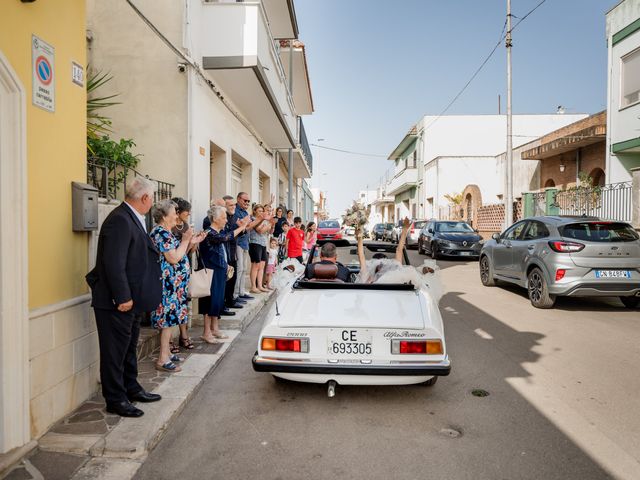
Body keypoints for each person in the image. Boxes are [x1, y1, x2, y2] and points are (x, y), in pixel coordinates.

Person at [86, 177, 163, 418]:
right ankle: (115, 399)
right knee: (114, 353)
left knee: (128, 349)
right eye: (152, 197)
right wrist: (123, 297)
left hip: (132, 301)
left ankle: (131, 387)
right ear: (144, 198)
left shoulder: (131, 217)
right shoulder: (119, 219)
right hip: (117, 302)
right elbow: (113, 263)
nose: (152, 202)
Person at [150, 200, 205, 372]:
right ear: (165, 216)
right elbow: (173, 258)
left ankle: (167, 352)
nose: (176, 215)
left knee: (171, 320)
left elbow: (180, 253)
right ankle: (162, 359)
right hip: (167, 286)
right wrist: (186, 239)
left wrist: (190, 241)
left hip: (173, 285)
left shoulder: (167, 232)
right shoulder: (161, 233)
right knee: (166, 322)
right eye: (174, 212)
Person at [200, 205, 250, 343]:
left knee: (218, 300)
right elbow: (225, 238)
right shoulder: (209, 232)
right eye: (223, 218)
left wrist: (226, 264)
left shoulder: (218, 231)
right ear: (215, 219)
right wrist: (241, 226)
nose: (226, 221)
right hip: (211, 271)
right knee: (209, 301)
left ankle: (215, 328)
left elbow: (224, 243)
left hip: (220, 269)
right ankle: (206, 332)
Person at [170, 197, 198, 351]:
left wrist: (194, 242)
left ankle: (183, 335)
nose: (188, 215)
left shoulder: (186, 226)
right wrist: (187, 240)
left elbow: (188, 251)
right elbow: (173, 254)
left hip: (184, 268)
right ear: (178, 212)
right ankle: (169, 340)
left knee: (183, 304)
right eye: (187, 213)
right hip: (172, 269)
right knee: (171, 305)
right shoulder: (170, 228)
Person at [357, 217, 411, 283]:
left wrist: (359, 235)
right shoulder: (394, 276)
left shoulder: (367, 276)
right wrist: (405, 229)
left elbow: (361, 256)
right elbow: (399, 251)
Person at [222, 195, 246, 311]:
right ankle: (225, 303)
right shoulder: (223, 217)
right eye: (230, 205)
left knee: (233, 276)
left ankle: (230, 300)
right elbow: (227, 234)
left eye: (234, 205)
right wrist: (240, 227)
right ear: (224, 206)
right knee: (226, 279)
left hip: (233, 251)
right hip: (225, 252)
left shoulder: (234, 216)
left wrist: (242, 228)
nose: (233, 207)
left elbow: (239, 233)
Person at [232, 192, 255, 302]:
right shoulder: (235, 211)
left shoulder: (245, 212)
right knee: (239, 269)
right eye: (245, 200)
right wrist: (247, 224)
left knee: (244, 269)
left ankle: (241, 292)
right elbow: (242, 227)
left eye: (248, 201)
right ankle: (235, 294)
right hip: (238, 243)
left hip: (245, 243)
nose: (247, 203)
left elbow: (248, 227)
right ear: (238, 199)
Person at [248, 204, 271, 293]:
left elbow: (269, 231)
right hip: (254, 243)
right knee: (255, 265)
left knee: (261, 266)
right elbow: (260, 230)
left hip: (263, 244)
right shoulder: (253, 219)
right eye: (259, 211)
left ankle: (260, 285)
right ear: (254, 211)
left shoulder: (263, 221)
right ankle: (253, 286)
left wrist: (270, 224)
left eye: (262, 211)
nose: (261, 213)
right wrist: (266, 226)